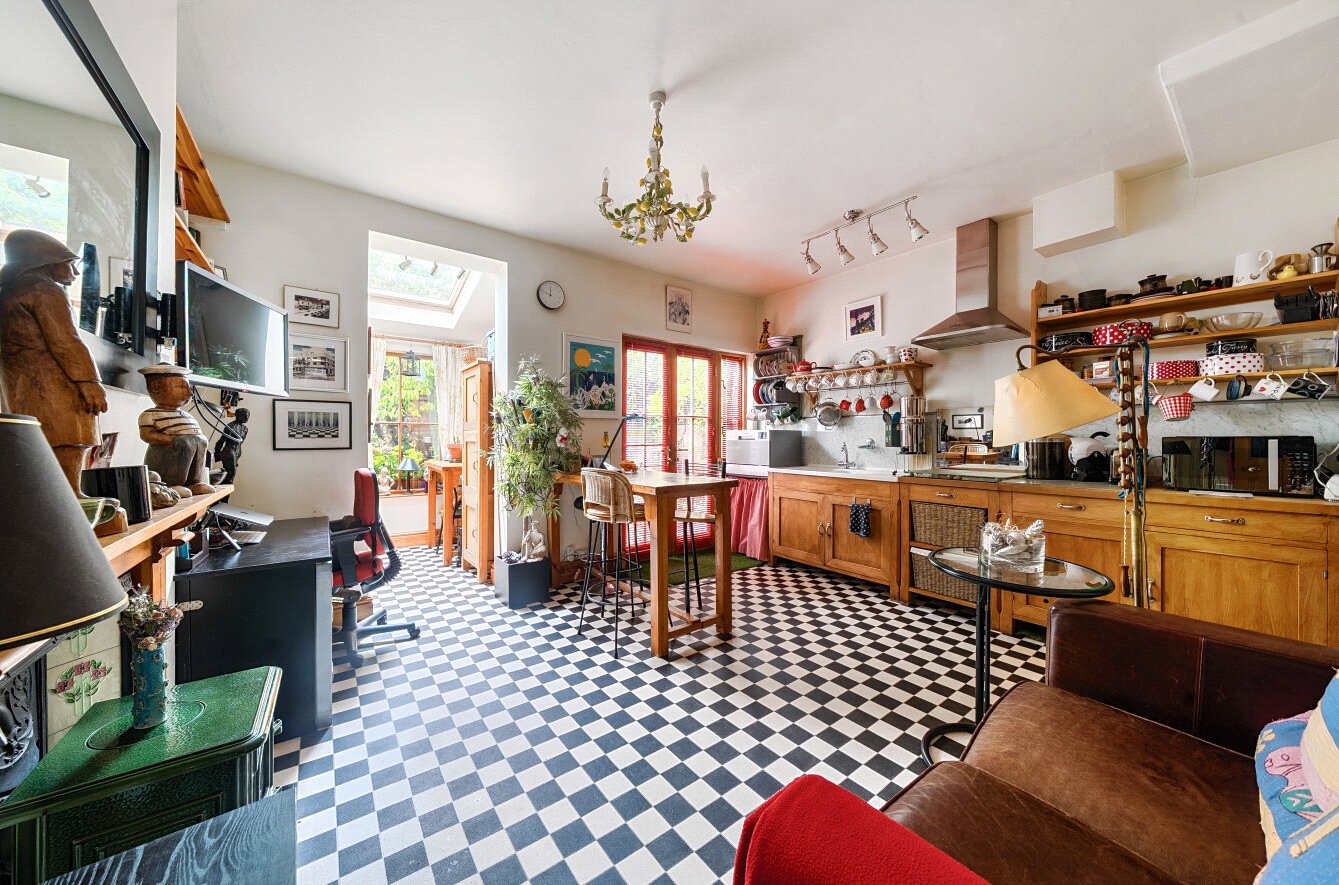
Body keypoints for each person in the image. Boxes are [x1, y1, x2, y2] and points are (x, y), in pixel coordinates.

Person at [0, 230, 108, 495]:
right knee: (69, 437)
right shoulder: (44, 290)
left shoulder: (9, 292)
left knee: (37, 448)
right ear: (45, 261)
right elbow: (67, 341)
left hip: (19, 390)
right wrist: (90, 382)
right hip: (54, 386)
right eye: (69, 264)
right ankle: (72, 498)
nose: (75, 272)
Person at [137, 365, 215, 497]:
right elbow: (146, 435)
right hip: (166, 458)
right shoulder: (150, 415)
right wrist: (171, 440)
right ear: (156, 387)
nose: (190, 393)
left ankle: (194, 482)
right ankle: (171, 484)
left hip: (186, 448)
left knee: (200, 441)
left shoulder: (187, 416)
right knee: (184, 443)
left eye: (189, 388)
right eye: (181, 387)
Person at [213, 407, 250, 483]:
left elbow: (239, 443)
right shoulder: (231, 427)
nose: (247, 417)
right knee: (230, 475)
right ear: (238, 415)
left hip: (236, 453)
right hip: (229, 453)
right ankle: (225, 489)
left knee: (230, 475)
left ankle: (225, 488)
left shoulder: (245, 429)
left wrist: (237, 457)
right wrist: (216, 454)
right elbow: (221, 441)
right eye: (245, 415)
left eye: (248, 415)